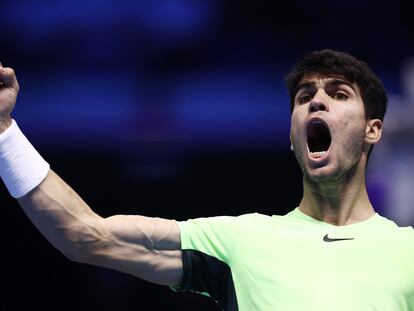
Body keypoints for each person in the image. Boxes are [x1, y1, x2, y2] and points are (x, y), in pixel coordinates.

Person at [0, 50, 413, 311]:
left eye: (339, 94)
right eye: (305, 98)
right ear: (293, 137)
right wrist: (4, 132)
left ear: (373, 130)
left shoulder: (406, 250)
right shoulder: (238, 240)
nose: (316, 101)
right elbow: (83, 234)